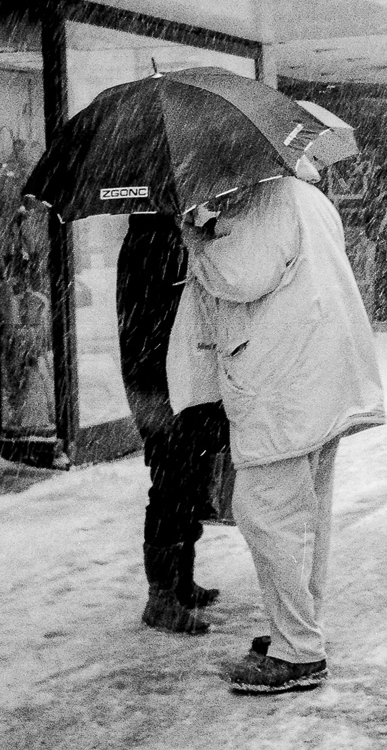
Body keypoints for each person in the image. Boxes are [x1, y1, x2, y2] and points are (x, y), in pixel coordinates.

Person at [177, 168, 385, 695]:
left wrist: (197, 243)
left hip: (282, 384)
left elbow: (241, 275)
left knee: (268, 515)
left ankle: (298, 654)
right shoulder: (305, 196)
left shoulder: (268, 200)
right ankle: (297, 635)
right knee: (304, 516)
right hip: (315, 375)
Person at [116, 216, 229, 636]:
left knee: (190, 473)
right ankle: (160, 597)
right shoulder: (154, 240)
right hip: (158, 382)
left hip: (170, 375)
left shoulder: (160, 235)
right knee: (171, 479)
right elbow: (163, 313)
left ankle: (181, 581)